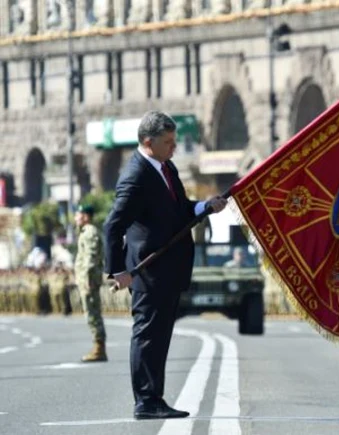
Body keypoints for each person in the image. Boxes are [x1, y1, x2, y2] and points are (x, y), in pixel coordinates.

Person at [103, 111, 228, 420]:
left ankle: (155, 397)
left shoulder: (166, 167)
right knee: (147, 336)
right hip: (147, 271)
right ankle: (145, 401)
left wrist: (204, 207)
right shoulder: (136, 175)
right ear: (149, 142)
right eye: (168, 142)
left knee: (160, 337)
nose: (174, 147)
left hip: (168, 271)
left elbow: (179, 210)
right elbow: (112, 226)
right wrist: (118, 270)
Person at [74, 204, 108, 361]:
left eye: (78, 214)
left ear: (86, 216)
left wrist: (87, 277)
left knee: (92, 312)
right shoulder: (85, 232)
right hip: (87, 279)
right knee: (91, 311)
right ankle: (98, 346)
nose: (76, 218)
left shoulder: (89, 233)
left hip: (89, 280)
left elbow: (91, 257)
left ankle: (99, 348)